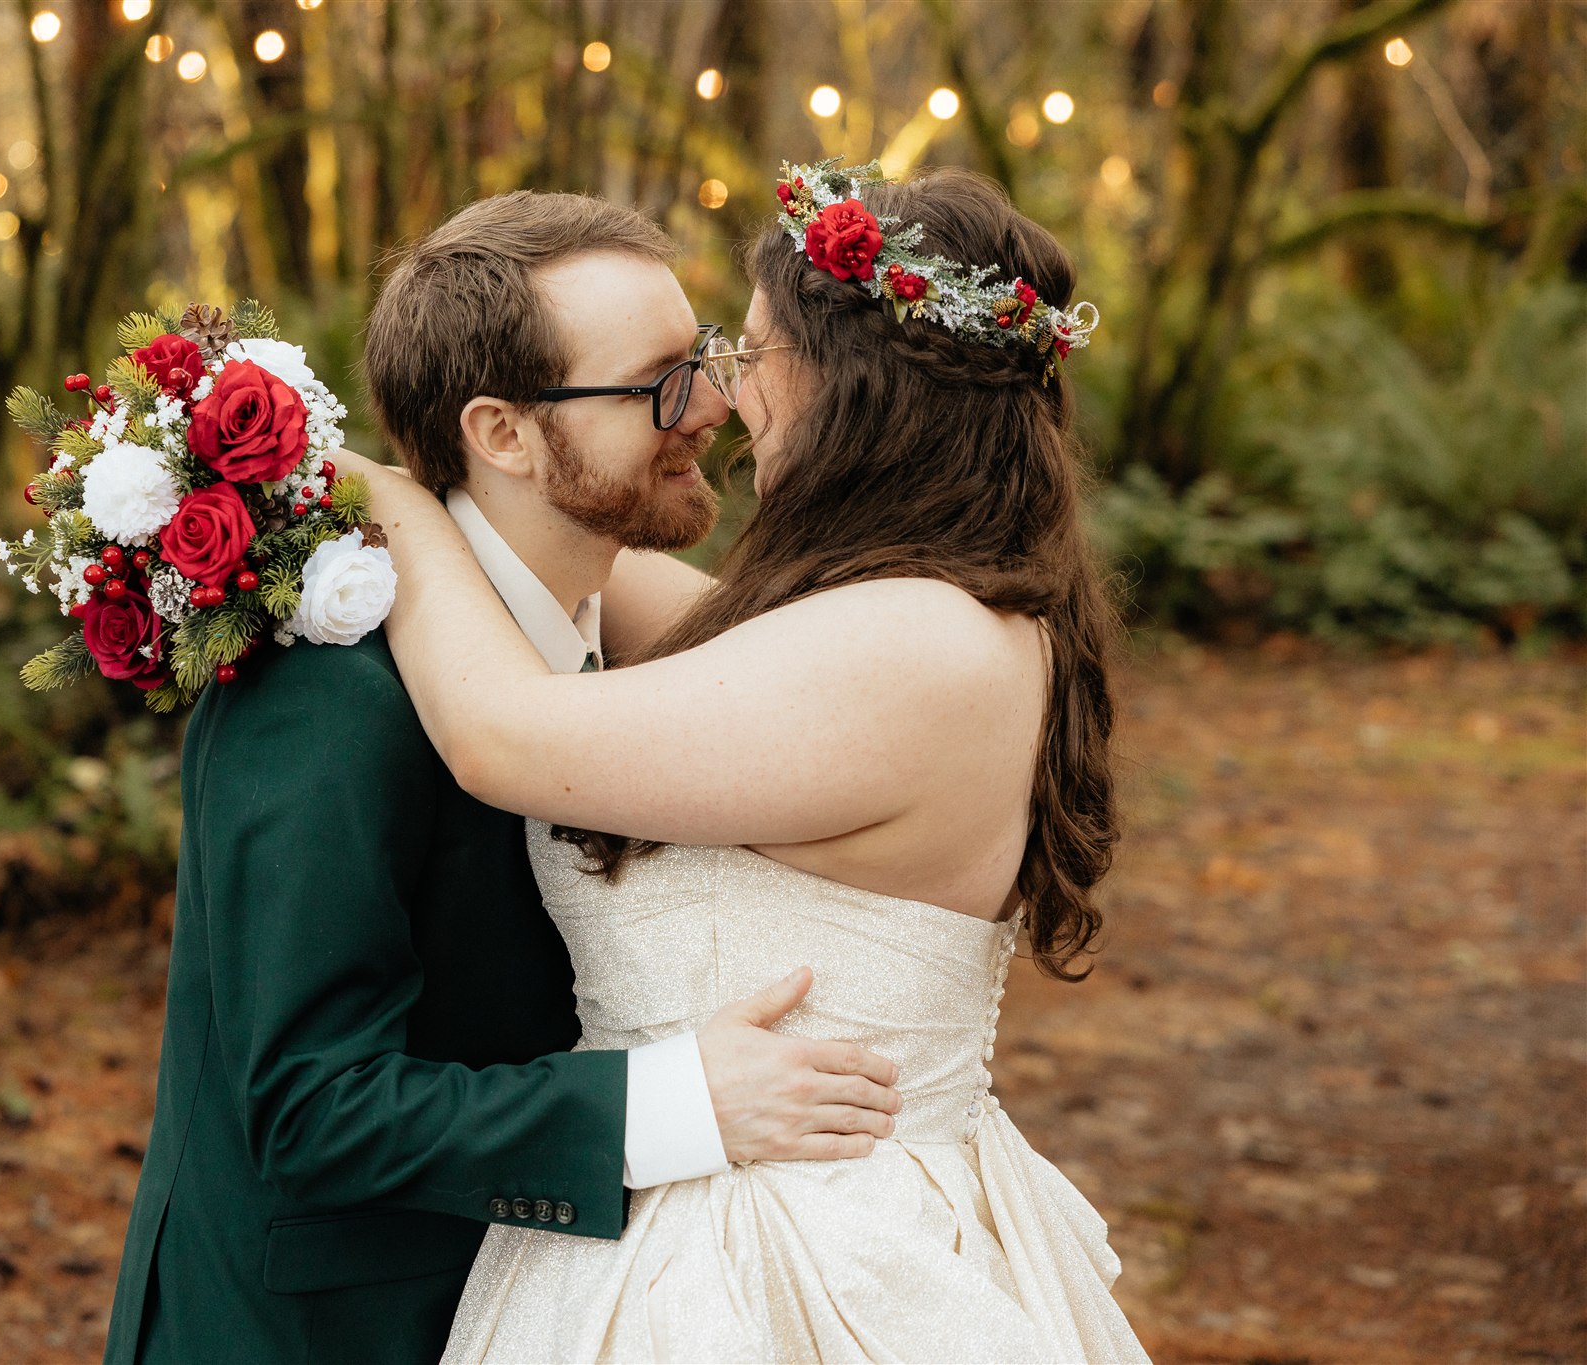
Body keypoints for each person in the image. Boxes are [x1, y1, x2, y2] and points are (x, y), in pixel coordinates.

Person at [337, 164, 1150, 1362]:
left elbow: (501, 734)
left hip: (789, 1260)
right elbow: (587, 583)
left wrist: (389, 502)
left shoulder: (906, 643)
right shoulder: (915, 612)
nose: (722, 393)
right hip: (758, 1203)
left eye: (753, 353)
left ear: (853, 388)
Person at [101, 191, 905, 1365]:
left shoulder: (603, 642)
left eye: (708, 364)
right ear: (504, 434)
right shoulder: (326, 689)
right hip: (318, 1333)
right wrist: (677, 1104)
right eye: (659, 384)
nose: (718, 406)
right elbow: (310, 1109)